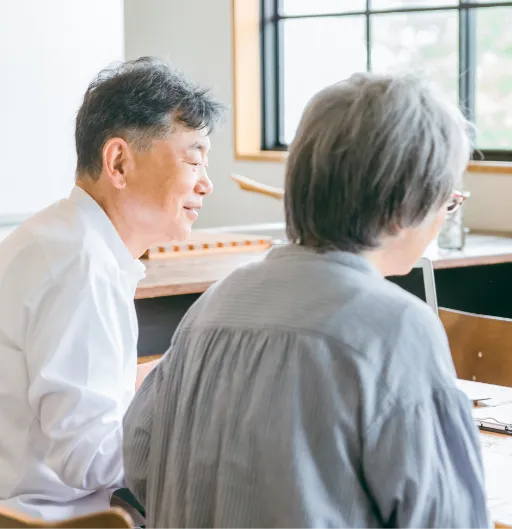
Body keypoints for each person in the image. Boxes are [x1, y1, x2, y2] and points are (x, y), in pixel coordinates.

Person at [122, 72, 489, 528]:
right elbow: (449, 520)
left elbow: (138, 461)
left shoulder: (214, 306)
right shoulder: (395, 328)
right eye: (447, 201)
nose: (442, 217)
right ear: (405, 206)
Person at [0, 57, 224, 521]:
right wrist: (206, 431)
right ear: (118, 161)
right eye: (194, 159)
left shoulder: (58, 239)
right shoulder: (80, 265)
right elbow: (89, 456)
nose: (207, 183)